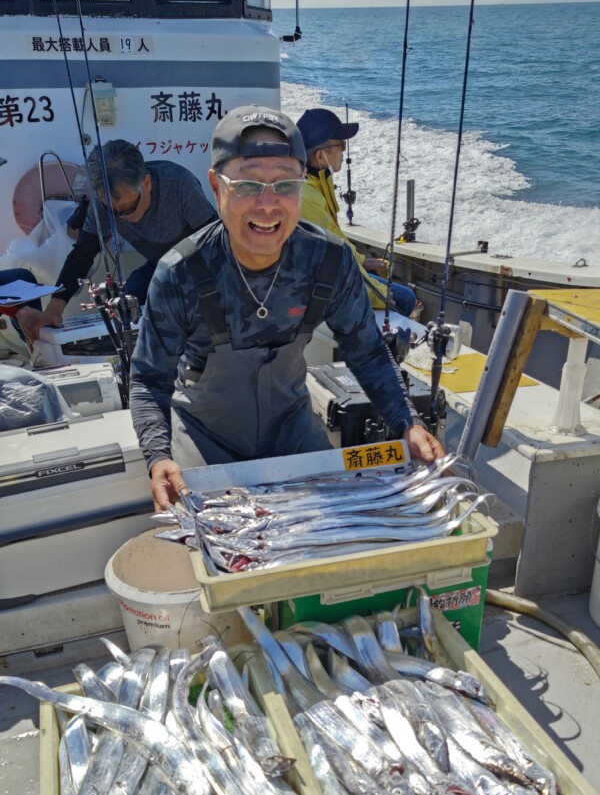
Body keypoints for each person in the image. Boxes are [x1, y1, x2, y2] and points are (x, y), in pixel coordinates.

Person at [128, 106, 443, 511]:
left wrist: (407, 423)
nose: (267, 204)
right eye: (246, 185)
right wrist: (158, 456)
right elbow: (149, 380)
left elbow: (366, 350)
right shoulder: (180, 273)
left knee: (332, 536)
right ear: (215, 187)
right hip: (206, 438)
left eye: (284, 184)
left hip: (292, 427)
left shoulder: (328, 261)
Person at [13, 139, 216, 343]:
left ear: (146, 183)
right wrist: (53, 310)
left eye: (128, 208)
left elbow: (216, 242)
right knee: (127, 300)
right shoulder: (103, 205)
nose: (122, 216)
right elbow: (81, 256)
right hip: (161, 266)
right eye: (114, 211)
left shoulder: (179, 184)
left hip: (199, 261)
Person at [296, 108, 416, 318]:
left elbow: (336, 238)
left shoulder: (317, 180)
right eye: (341, 145)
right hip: (321, 288)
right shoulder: (307, 197)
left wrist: (361, 260)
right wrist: (381, 297)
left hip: (324, 279)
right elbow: (333, 261)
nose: (344, 151)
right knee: (405, 298)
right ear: (320, 156)